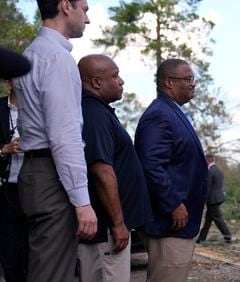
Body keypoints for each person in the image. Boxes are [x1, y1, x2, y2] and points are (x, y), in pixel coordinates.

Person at [13, 1, 97, 281]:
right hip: (52, 176)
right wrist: (82, 201)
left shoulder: (31, 54)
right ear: (65, 6)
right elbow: (64, 135)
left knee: (45, 266)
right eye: (84, 9)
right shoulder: (56, 58)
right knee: (52, 274)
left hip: (36, 171)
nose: (87, 19)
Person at [77, 54, 153, 282]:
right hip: (107, 231)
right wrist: (118, 224)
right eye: (115, 75)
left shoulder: (99, 112)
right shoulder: (93, 114)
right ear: (96, 82)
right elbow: (101, 172)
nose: (121, 81)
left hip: (109, 228)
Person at [135, 58, 208, 282]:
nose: (193, 83)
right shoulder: (160, 115)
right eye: (187, 79)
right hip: (168, 223)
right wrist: (173, 204)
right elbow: (151, 165)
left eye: (193, 78)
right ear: (168, 83)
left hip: (176, 222)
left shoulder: (172, 112)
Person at [0, 81, 28, 282]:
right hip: (5, 191)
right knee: (9, 251)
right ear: (8, 82)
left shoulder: (40, 107)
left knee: (33, 249)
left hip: (36, 189)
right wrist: (4, 149)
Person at [197, 153, 232, 243]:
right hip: (218, 198)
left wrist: (204, 201)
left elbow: (208, 188)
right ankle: (201, 239)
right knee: (208, 220)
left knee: (218, 219)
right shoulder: (219, 170)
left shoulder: (210, 171)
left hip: (212, 200)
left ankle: (228, 237)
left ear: (206, 161)